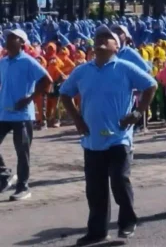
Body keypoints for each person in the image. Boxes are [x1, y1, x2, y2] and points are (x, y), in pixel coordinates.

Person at [59, 26, 157, 246]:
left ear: (116, 46)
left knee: (120, 180)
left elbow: (151, 85)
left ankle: (127, 222)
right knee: (95, 188)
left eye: (107, 38)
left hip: (118, 136)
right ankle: (97, 231)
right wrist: (76, 118)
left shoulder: (124, 67)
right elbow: (65, 93)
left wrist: (137, 112)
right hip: (92, 138)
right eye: (98, 38)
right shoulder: (82, 71)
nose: (101, 41)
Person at [0, 28, 52, 201]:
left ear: (22, 43)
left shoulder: (28, 61)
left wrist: (30, 97)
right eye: (7, 38)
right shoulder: (4, 61)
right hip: (3, 113)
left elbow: (47, 80)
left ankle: (23, 187)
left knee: (22, 152)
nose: (8, 41)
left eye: (12, 38)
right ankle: (5, 175)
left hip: (22, 115)